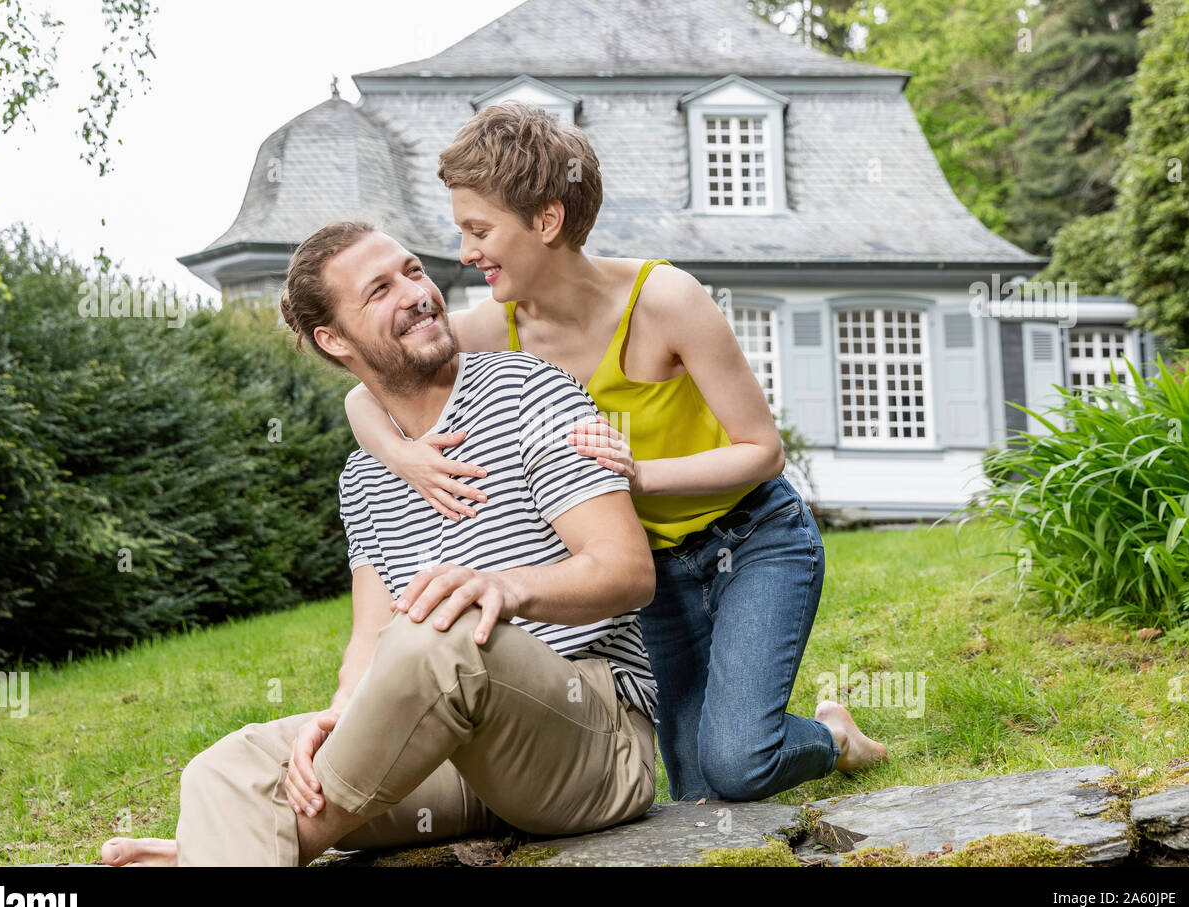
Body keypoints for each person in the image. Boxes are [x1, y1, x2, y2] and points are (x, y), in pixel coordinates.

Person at [343, 103, 887, 804]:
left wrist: (633, 476)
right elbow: (366, 394)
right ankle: (792, 738)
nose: (466, 252)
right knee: (698, 794)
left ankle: (833, 736)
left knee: (739, 765)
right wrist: (404, 458)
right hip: (653, 576)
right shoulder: (497, 328)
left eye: (479, 231)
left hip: (754, 539)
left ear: (545, 220)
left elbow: (763, 451)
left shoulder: (665, 299)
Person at [101, 221, 659, 866]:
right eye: (380, 289)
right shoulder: (365, 475)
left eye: (413, 271)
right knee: (231, 766)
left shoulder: (533, 392)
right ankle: (228, 849)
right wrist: (338, 719)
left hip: (588, 744)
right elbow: (370, 636)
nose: (416, 292)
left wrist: (507, 587)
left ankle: (246, 847)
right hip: (459, 763)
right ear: (332, 339)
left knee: (444, 635)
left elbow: (625, 571)